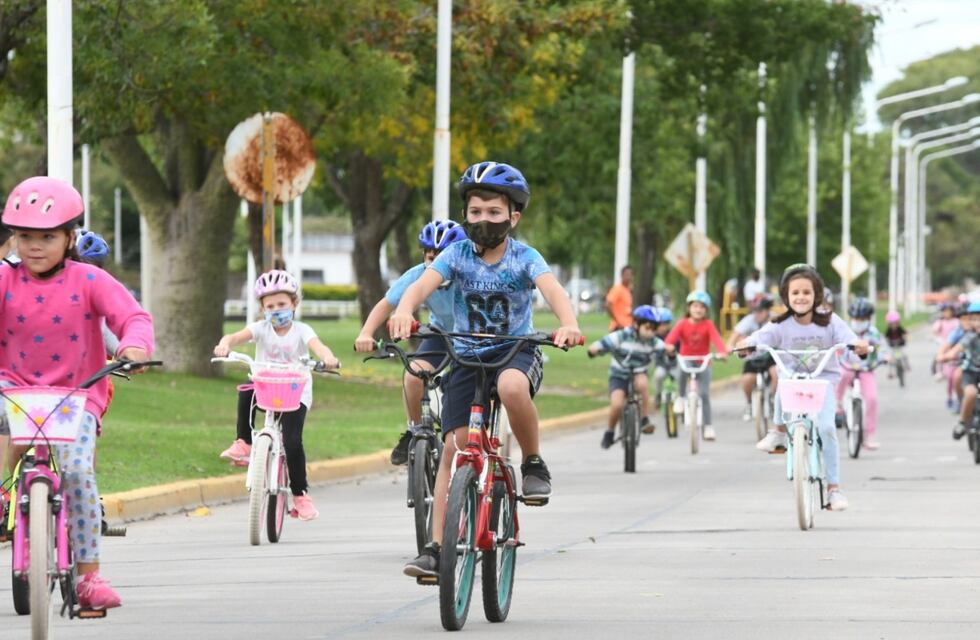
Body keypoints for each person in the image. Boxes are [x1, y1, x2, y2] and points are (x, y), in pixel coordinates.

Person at [388, 161, 581, 579]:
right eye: (475, 212)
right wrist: (405, 310)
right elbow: (420, 285)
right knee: (453, 450)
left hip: (516, 350)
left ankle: (532, 462)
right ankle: (436, 549)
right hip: (467, 355)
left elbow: (553, 291)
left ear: (514, 215)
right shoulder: (454, 254)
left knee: (512, 388)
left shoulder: (525, 258)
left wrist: (569, 324)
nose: (484, 220)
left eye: (494, 213)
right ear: (466, 214)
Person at [0, 176, 155, 609]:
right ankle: (2, 493)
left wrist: (134, 346)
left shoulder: (89, 279)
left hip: (77, 394)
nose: (34, 245)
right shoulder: (4, 280)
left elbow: (132, 317)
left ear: (70, 237)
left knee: (78, 473)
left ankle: (89, 578)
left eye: (47, 236)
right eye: (25, 235)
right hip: (12, 386)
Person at [214, 270, 340, 521]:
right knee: (246, 391)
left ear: (294, 304)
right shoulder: (260, 329)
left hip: (295, 391)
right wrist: (225, 344)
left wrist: (327, 358)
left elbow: (318, 345)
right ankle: (244, 442)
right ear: (262, 309)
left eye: (282, 304)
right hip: (266, 386)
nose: (277, 310)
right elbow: (235, 336)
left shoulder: (302, 330)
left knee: (292, 442)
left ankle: (301, 495)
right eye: (270, 306)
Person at [740, 264, 869, 511]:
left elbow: (849, 338)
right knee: (782, 380)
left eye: (807, 292)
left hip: (824, 381)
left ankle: (833, 490)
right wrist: (747, 344)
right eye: (795, 292)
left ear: (816, 295)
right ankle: (778, 431)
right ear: (786, 296)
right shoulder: (779, 324)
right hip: (792, 380)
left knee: (827, 428)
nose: (801, 297)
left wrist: (858, 344)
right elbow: (760, 338)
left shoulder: (830, 321)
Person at [354, 220, 467, 464]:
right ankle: (415, 431)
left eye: (442, 256)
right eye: (430, 255)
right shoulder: (418, 275)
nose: (435, 262)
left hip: (470, 336)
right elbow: (386, 304)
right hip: (439, 333)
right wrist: (366, 333)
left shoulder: (471, 275)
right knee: (413, 374)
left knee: (462, 386)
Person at [589, 305, 664, 448]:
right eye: (648, 327)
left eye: (654, 329)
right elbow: (605, 343)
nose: (651, 332)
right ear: (636, 324)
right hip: (619, 375)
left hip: (638, 372)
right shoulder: (622, 335)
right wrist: (595, 349)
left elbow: (665, 348)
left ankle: (645, 419)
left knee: (642, 383)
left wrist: (671, 351)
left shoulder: (653, 341)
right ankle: (610, 432)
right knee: (617, 404)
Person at [663, 291, 728, 441]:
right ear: (689, 308)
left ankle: (708, 427)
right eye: (695, 306)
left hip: (703, 361)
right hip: (686, 358)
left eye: (702, 307)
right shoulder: (682, 323)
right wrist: (668, 346)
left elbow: (717, 340)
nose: (698, 310)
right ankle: (680, 397)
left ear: (706, 310)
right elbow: (670, 339)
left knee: (704, 394)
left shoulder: (708, 324)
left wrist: (722, 352)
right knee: (680, 372)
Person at [835, 297, 884, 450]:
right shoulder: (845, 331)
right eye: (856, 318)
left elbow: (882, 348)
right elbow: (836, 345)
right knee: (841, 376)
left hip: (866, 370)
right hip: (847, 366)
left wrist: (884, 357)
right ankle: (838, 407)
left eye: (862, 318)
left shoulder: (873, 333)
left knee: (872, 399)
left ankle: (869, 435)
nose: (858, 321)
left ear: (869, 319)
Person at [726, 294, 777, 421]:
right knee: (747, 379)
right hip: (753, 357)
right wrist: (729, 346)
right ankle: (749, 403)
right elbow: (735, 334)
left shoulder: (775, 319)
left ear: (767, 310)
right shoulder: (749, 320)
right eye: (755, 311)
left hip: (770, 355)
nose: (757, 314)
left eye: (760, 311)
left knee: (776, 373)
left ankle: (773, 399)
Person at [941, 301, 980, 440]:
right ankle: (962, 422)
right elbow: (957, 348)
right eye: (974, 319)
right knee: (970, 392)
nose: (978, 323)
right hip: (970, 372)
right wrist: (947, 356)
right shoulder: (969, 336)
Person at [652, 306, 677, 409]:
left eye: (665, 324)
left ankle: (682, 401)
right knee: (658, 376)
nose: (662, 327)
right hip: (661, 365)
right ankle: (658, 395)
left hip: (674, 365)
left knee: (681, 379)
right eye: (659, 325)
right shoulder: (653, 337)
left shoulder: (675, 335)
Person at [606, 265, 634, 331]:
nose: (629, 277)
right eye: (626, 274)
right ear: (621, 275)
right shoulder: (617, 289)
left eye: (630, 275)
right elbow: (608, 305)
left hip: (627, 326)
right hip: (618, 327)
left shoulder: (627, 290)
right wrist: (617, 321)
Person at [884, 310, 909, 376]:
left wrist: (905, 336)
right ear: (889, 323)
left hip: (899, 344)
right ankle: (890, 372)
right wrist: (886, 341)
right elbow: (886, 336)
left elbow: (905, 333)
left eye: (895, 323)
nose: (894, 325)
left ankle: (907, 366)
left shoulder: (899, 328)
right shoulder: (889, 330)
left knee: (904, 355)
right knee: (890, 358)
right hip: (892, 345)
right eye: (892, 324)